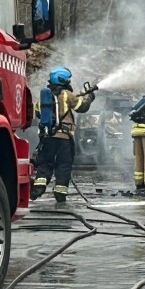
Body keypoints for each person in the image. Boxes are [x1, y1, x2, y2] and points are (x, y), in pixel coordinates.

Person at [31, 66, 95, 203]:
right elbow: (82, 107)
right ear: (63, 79)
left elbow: (37, 113)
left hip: (47, 138)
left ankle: (39, 187)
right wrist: (89, 97)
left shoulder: (43, 97)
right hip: (64, 138)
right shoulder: (66, 94)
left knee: (44, 163)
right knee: (63, 165)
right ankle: (60, 193)